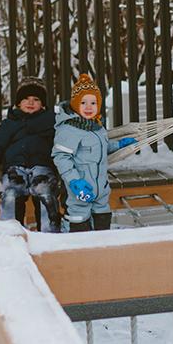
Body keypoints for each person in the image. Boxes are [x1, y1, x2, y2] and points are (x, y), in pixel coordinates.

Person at [0, 76, 61, 232]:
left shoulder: (51, 122)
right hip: (15, 169)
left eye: (36, 99)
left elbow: (62, 144)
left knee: (45, 193)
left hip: (42, 167)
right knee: (10, 195)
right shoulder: (9, 124)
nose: (30, 102)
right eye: (26, 98)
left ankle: (49, 234)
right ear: (18, 103)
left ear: (43, 104)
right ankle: (11, 234)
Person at [52, 74, 136, 232]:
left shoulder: (97, 127)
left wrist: (118, 145)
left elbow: (102, 147)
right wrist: (75, 181)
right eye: (83, 103)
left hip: (101, 189)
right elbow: (61, 157)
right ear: (75, 104)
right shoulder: (69, 129)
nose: (89, 107)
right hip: (79, 189)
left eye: (93, 103)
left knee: (102, 221)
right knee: (79, 224)